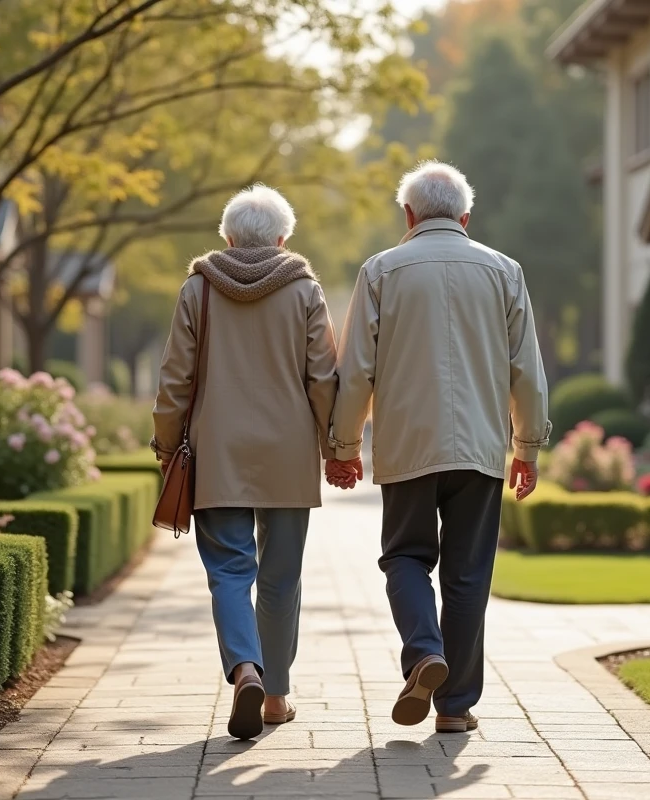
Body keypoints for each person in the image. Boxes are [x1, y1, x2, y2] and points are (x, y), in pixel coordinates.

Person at [326, 161, 551, 734]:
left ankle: (425, 652)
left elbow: (356, 370)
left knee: (404, 556)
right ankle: (454, 706)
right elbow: (525, 370)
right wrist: (526, 445)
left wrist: (345, 444)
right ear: (466, 216)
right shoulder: (505, 271)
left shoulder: (380, 271)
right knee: (469, 572)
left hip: (407, 444)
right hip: (479, 445)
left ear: (408, 214)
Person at [152, 185, 338, 740]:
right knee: (281, 578)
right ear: (283, 239)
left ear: (228, 238)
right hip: (287, 453)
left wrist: (166, 445)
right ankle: (276, 698)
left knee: (230, 573)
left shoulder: (197, 289)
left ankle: (245, 670)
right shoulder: (304, 289)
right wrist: (336, 448)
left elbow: (174, 380)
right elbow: (323, 378)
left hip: (219, 452)